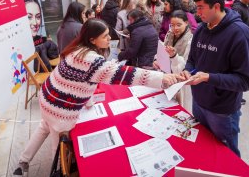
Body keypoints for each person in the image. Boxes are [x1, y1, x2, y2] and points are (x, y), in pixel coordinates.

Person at [13, 19, 181, 175]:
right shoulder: (92, 60)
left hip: (47, 98)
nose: (110, 38)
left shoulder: (77, 49)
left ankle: (23, 162)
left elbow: (80, 82)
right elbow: (125, 74)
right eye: (105, 36)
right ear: (92, 39)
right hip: (60, 110)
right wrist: (160, 78)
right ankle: (58, 170)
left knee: (44, 127)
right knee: (59, 147)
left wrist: (88, 101)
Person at [180, 0, 249, 157]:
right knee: (206, 149)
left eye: (201, 8)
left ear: (216, 6)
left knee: (227, 154)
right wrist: (187, 70)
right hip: (199, 102)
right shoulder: (201, 29)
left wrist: (208, 78)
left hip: (222, 110)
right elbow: (192, 60)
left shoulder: (240, 34)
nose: (197, 13)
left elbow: (244, 81)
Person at [163, 10, 193, 112]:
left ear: (186, 23)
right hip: (168, 74)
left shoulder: (190, 40)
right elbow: (163, 50)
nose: (175, 28)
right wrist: (157, 59)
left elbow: (185, 66)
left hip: (181, 81)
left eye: (179, 25)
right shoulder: (169, 35)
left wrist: (174, 56)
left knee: (181, 109)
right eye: (172, 25)